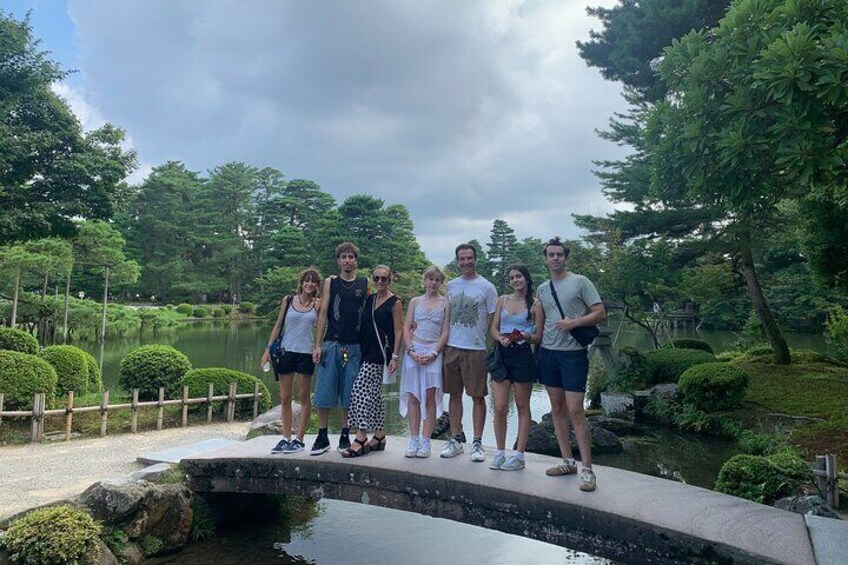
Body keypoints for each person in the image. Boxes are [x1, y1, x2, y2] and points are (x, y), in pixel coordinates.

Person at [536, 237, 606, 492]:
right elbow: (540, 321)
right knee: (556, 407)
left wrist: (574, 323)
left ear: (565, 257)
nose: (555, 258)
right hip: (548, 352)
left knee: (575, 409)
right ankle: (567, 461)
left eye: (559, 254)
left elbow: (600, 313)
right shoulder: (542, 289)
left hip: (573, 354)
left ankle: (587, 468)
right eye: (551, 255)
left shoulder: (580, 282)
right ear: (545, 258)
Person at [440, 243, 498, 462]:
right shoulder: (451, 286)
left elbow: (493, 320)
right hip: (452, 346)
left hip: (475, 348)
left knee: (477, 396)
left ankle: (477, 442)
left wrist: (494, 346)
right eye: (461, 259)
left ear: (476, 259)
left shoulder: (487, 287)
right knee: (454, 395)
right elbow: (443, 315)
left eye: (469, 258)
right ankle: (456, 438)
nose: (466, 262)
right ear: (457, 261)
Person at [311, 242, 369, 456]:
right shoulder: (330, 282)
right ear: (338, 260)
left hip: (354, 345)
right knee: (324, 390)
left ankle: (345, 432)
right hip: (331, 343)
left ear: (355, 260)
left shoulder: (364, 283)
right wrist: (317, 345)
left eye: (351, 257)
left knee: (349, 392)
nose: (347, 260)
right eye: (343, 257)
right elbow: (323, 312)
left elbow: (367, 316)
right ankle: (322, 434)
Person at [342, 265, 404, 457]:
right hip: (365, 350)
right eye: (376, 278)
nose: (379, 282)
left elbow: (398, 330)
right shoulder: (371, 299)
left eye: (383, 279)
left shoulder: (395, 302)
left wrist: (395, 356)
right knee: (374, 395)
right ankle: (379, 436)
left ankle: (361, 437)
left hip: (380, 353)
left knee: (359, 389)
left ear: (389, 280)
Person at [487, 264, 542, 471]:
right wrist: (500, 338)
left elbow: (539, 336)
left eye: (519, 277)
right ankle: (500, 452)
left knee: (522, 405)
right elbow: (493, 328)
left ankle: (519, 454)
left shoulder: (536, 304)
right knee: (500, 406)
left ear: (526, 279)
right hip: (502, 354)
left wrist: (526, 337)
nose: (515, 280)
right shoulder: (502, 300)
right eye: (511, 278)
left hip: (523, 355)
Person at [262, 268, 321, 454]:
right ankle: (285, 438)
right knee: (286, 397)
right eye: (307, 281)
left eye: (313, 282)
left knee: (304, 396)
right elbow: (278, 325)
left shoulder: (318, 304)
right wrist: (267, 350)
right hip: (285, 351)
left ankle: (299, 439)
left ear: (317, 285)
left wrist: (319, 347)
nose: (310, 284)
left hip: (306, 353)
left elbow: (321, 328)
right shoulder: (288, 301)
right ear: (301, 283)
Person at [401, 265, 450, 458]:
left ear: (441, 282)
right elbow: (406, 327)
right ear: (425, 280)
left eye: (437, 280)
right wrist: (410, 350)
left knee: (430, 396)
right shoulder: (415, 301)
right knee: (413, 396)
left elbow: (445, 331)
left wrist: (435, 353)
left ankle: (426, 441)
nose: (434, 283)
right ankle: (413, 439)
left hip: (433, 352)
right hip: (414, 349)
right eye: (430, 279)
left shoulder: (446, 303)